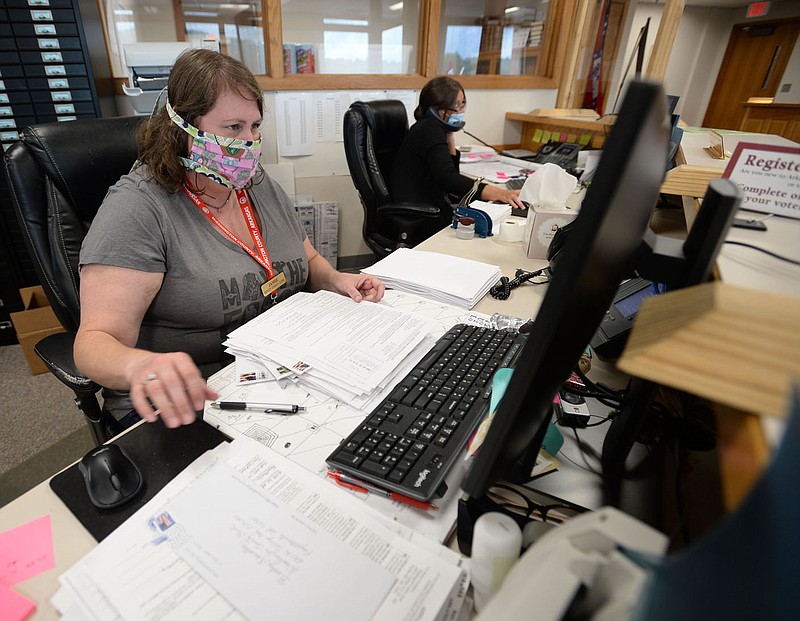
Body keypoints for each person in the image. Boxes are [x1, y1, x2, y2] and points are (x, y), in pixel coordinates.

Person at [74, 49, 385, 433]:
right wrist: (141, 367)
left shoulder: (253, 182)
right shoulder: (137, 208)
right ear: (181, 127)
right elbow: (92, 343)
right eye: (234, 127)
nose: (250, 143)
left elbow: (304, 256)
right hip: (190, 396)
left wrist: (338, 279)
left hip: (277, 370)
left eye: (254, 126)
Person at [390, 76, 525, 220]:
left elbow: (450, 173)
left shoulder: (433, 128)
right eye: (455, 107)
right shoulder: (429, 129)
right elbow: (449, 179)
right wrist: (497, 193)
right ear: (436, 109)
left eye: (462, 105)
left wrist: (449, 133)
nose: (460, 111)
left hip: (429, 204)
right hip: (419, 214)